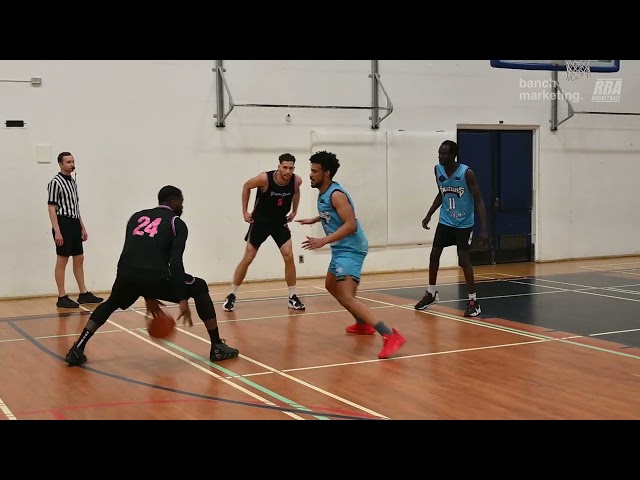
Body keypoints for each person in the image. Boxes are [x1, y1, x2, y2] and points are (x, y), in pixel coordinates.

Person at [64, 185, 239, 367]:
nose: (182, 206)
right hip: (155, 277)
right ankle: (217, 346)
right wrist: (182, 298)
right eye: (181, 202)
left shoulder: (136, 217)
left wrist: (148, 295)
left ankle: (78, 348)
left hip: (126, 274)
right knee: (200, 286)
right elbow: (175, 263)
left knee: (110, 303)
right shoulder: (176, 223)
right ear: (173, 202)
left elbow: (137, 253)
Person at [297, 151, 406, 360]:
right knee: (330, 285)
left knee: (346, 296)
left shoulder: (336, 194)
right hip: (341, 249)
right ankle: (362, 324)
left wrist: (323, 241)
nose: (310, 174)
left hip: (351, 249)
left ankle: (390, 334)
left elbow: (351, 224)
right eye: (310, 170)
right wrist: (315, 219)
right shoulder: (324, 192)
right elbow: (332, 214)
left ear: (326, 173)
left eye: (314, 171)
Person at [414, 140, 489, 317]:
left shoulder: (466, 173)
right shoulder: (437, 170)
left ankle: (473, 301)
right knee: (434, 254)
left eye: (444, 153)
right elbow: (442, 193)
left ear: (453, 155)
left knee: (463, 259)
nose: (440, 156)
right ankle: (431, 293)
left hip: (464, 224)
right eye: (439, 153)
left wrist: (484, 229)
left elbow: (478, 200)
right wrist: (429, 214)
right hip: (445, 221)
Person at [223, 153, 306, 312]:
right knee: (248, 257)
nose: (288, 171)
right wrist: (245, 212)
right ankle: (231, 295)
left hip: (279, 222)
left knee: (288, 254)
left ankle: (292, 296)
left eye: (291, 168)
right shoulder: (264, 179)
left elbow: (296, 192)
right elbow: (247, 186)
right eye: (285, 167)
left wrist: (295, 211)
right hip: (260, 222)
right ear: (279, 166)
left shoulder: (296, 181)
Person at [47, 151, 103, 308]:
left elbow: (75, 208)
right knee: (62, 259)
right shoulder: (55, 182)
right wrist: (57, 230)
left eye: (73, 161)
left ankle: (83, 293)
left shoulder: (72, 182)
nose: (72, 165)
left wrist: (82, 227)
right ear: (60, 164)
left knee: (79, 258)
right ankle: (61, 296)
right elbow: (52, 208)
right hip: (62, 223)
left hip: (74, 223)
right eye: (68, 162)